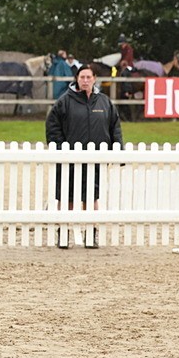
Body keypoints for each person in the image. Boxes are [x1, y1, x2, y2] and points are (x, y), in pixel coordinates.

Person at [46, 64, 123, 249]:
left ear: (94, 79)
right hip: (69, 161)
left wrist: (118, 151)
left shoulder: (104, 102)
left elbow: (115, 127)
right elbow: (52, 126)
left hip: (95, 161)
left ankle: (91, 235)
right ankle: (63, 234)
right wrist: (59, 148)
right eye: (82, 77)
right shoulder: (64, 102)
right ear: (77, 79)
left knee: (92, 199)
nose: (86, 80)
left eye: (89, 77)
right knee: (67, 198)